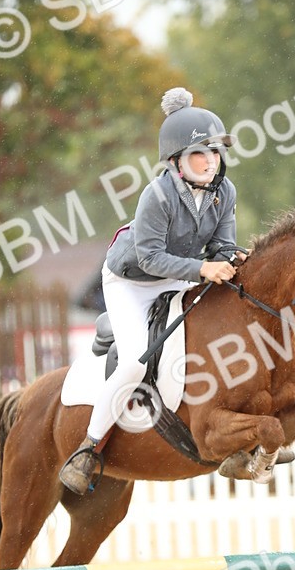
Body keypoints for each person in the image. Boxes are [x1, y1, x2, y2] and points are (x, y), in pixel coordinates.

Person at [59, 87, 247, 495]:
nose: (211, 161)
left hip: (178, 275)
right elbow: (150, 260)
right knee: (132, 365)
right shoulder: (157, 195)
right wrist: (203, 268)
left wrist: (236, 258)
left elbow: (222, 246)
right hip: (131, 281)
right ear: (178, 160)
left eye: (215, 152)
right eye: (201, 153)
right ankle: (88, 448)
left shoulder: (224, 193)